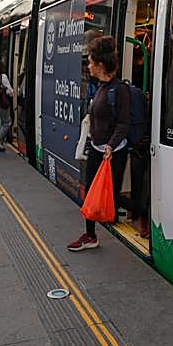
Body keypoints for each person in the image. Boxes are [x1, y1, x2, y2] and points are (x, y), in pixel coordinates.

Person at [68, 36, 131, 252]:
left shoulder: (119, 90)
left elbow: (124, 124)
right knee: (91, 193)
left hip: (112, 153)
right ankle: (90, 235)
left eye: (91, 62)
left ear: (101, 65)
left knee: (109, 196)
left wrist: (111, 146)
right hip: (97, 149)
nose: (88, 66)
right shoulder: (101, 87)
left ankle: (143, 214)